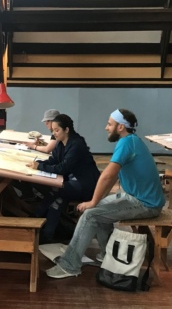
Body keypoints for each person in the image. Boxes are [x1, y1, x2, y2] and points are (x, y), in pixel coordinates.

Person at [46, 108, 165, 279]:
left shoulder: (126, 143)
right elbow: (112, 176)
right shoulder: (130, 141)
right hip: (138, 198)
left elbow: (107, 175)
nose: (106, 128)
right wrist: (98, 200)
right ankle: (108, 255)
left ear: (121, 127)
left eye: (110, 124)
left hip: (145, 203)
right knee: (99, 208)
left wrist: (93, 202)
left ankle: (69, 265)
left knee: (90, 215)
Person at [26, 114, 101, 243]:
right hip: (74, 180)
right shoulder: (61, 143)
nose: (54, 133)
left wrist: (40, 167)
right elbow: (53, 160)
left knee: (55, 191)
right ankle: (46, 232)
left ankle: (37, 219)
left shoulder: (77, 143)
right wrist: (38, 163)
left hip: (86, 184)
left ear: (66, 130)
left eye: (57, 130)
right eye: (53, 130)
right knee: (58, 198)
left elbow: (62, 168)